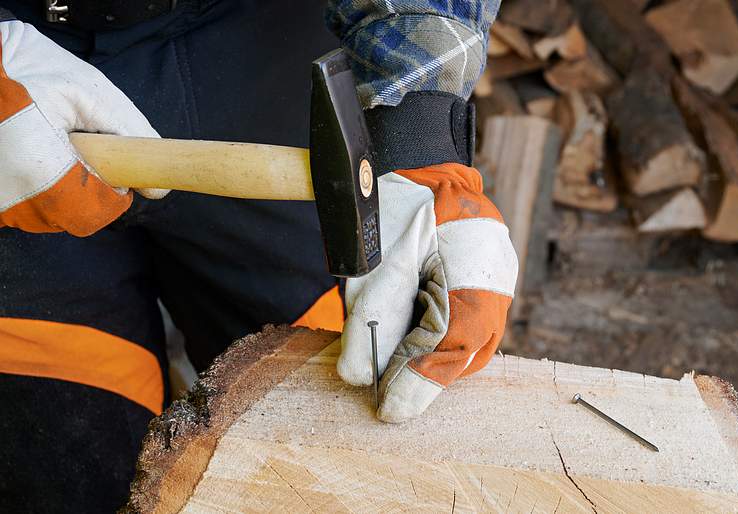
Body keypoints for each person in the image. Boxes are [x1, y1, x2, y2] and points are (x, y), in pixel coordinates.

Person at [0, 0, 517, 510]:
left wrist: (419, 130)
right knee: (69, 472)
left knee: (334, 441)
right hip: (14, 73)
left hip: (251, 48)